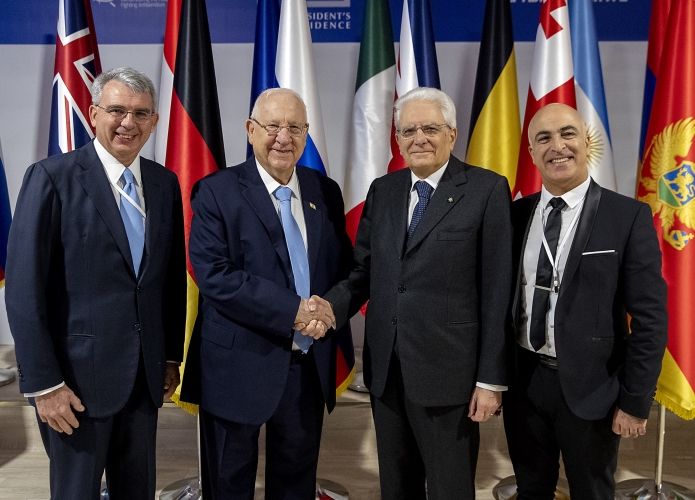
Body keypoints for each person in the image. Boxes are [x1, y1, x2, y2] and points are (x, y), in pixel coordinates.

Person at [322, 87, 513, 499]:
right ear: (397, 139)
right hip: (387, 372)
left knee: (449, 489)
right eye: (408, 130)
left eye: (430, 128)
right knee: (396, 487)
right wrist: (328, 310)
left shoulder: (486, 190)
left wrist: (491, 380)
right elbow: (365, 272)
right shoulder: (384, 190)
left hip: (450, 377)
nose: (419, 138)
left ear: (452, 134)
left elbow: (498, 292)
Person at [5, 67, 186, 499]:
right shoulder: (51, 177)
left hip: (144, 380)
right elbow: (24, 292)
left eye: (140, 114)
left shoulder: (164, 183)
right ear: (93, 114)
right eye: (117, 110)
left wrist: (169, 357)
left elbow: (168, 280)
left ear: (155, 121)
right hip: (74, 387)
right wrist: (45, 385)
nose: (128, 123)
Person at [187, 87, 353, 499]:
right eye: (272, 126)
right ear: (250, 130)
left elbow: (343, 268)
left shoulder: (324, 190)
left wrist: (329, 309)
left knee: (296, 486)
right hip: (235, 368)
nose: (283, 137)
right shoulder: (215, 190)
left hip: (305, 367)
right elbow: (216, 276)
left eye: (294, 127)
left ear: (306, 133)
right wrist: (295, 311)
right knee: (228, 486)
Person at [503, 103, 668, 499]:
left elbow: (651, 319)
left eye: (567, 134)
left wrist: (635, 401)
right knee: (530, 489)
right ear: (532, 152)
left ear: (586, 142)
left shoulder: (627, 216)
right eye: (544, 138)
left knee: (592, 492)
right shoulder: (514, 216)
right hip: (524, 385)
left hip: (594, 390)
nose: (557, 146)